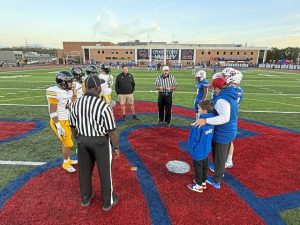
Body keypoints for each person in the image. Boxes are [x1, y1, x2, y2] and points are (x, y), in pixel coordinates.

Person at [69, 75, 120, 211]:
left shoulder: (76, 103)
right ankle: (107, 202)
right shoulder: (103, 106)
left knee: (84, 172)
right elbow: (112, 131)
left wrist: (77, 139)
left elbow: (72, 126)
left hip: (82, 141)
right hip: (100, 142)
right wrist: (116, 147)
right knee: (105, 173)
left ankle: (85, 198)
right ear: (97, 88)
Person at [194, 77, 238, 189]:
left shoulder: (223, 99)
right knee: (221, 155)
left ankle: (216, 180)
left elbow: (224, 118)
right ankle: (219, 172)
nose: (214, 90)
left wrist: (206, 120)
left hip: (224, 131)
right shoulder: (229, 95)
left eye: (214, 88)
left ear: (218, 88)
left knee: (219, 156)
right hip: (229, 130)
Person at [46, 71, 78, 173]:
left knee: (66, 142)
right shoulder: (55, 92)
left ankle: (68, 159)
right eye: (69, 82)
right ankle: (65, 163)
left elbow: (69, 104)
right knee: (68, 143)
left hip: (66, 119)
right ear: (62, 82)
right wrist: (59, 126)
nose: (71, 84)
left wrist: (74, 96)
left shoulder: (67, 91)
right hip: (59, 121)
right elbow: (52, 113)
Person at [187, 100, 214, 193]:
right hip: (206, 149)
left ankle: (198, 185)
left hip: (198, 151)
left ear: (205, 111)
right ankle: (203, 182)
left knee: (198, 168)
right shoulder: (212, 121)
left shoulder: (199, 124)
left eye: (199, 108)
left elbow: (193, 139)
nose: (197, 109)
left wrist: (191, 149)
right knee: (204, 166)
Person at [222, 69, 244, 168]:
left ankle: (224, 161)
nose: (224, 78)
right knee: (228, 140)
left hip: (227, 117)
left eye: (226, 76)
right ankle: (228, 159)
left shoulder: (233, 90)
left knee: (225, 140)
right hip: (231, 116)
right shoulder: (237, 89)